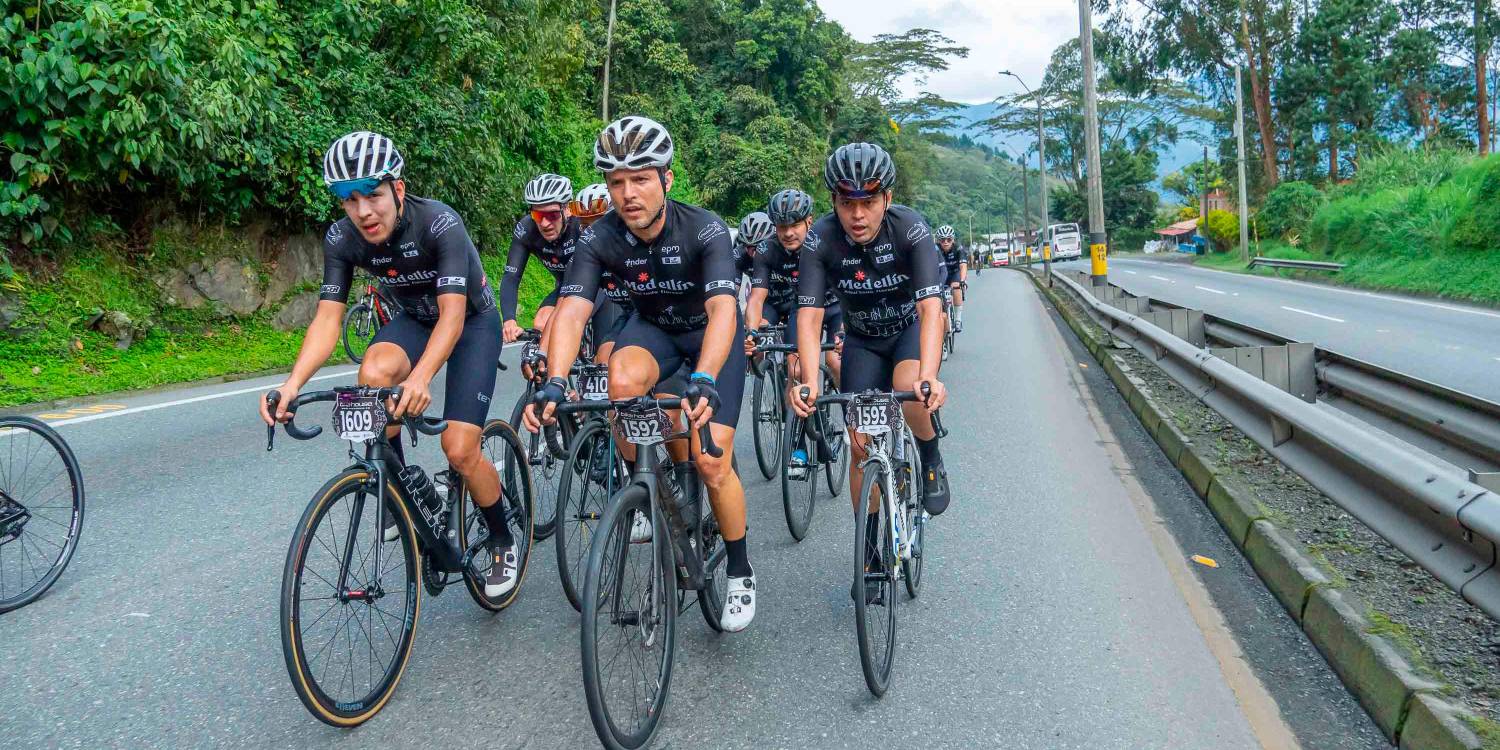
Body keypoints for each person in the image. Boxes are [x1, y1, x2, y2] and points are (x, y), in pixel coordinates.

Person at [523, 115, 757, 632]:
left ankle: (739, 568)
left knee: (712, 461)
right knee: (619, 383)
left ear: (667, 180)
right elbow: (574, 309)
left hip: (709, 339)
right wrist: (555, 381)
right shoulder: (599, 238)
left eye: (641, 179)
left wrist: (708, 378)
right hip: (655, 332)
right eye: (616, 182)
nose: (628, 193)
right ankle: (651, 486)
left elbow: (723, 311)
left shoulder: (704, 228)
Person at [259, 131, 517, 597]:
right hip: (416, 320)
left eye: (373, 195)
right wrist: (294, 383)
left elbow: (454, 315)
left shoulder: (440, 224)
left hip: (471, 322)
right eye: (348, 199)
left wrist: (420, 378)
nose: (363, 212)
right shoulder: (342, 237)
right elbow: (327, 317)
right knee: (373, 373)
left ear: (398, 189)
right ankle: (403, 490)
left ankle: (502, 536)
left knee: (459, 449)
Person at [787, 142, 952, 598]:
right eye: (846, 203)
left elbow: (932, 307)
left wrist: (931, 375)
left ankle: (930, 453)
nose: (857, 215)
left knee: (909, 387)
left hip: (906, 331)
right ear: (833, 202)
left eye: (868, 202)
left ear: (887, 198)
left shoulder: (910, 229)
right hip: (861, 340)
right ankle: (871, 549)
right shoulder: (820, 239)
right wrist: (810, 383)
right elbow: (810, 316)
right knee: (860, 443)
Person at [745, 188, 843, 476]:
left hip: (836, 306)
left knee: (837, 361)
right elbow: (756, 297)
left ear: (808, 222)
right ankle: (798, 444)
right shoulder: (766, 250)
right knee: (796, 369)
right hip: (801, 310)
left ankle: (847, 406)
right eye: (781, 226)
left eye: (794, 225)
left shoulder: (825, 242)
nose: (787, 233)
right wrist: (751, 331)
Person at [735, 211, 773, 309]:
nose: (753, 253)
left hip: (793, 299)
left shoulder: (785, 250)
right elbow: (732, 294)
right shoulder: (739, 254)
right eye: (747, 247)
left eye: (758, 248)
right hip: (766, 302)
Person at [935, 225, 967, 332]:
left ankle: (958, 320)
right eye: (942, 240)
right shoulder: (934, 249)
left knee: (956, 287)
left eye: (948, 239)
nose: (945, 242)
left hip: (954, 273)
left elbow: (963, 266)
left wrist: (962, 281)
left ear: (953, 240)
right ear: (938, 241)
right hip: (941, 274)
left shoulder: (958, 248)